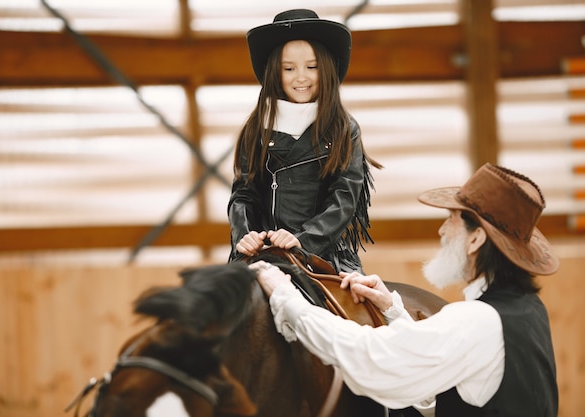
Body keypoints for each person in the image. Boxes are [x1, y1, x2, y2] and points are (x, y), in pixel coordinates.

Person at [253, 163, 560, 417]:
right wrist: (391, 310)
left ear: (476, 239)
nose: (442, 231)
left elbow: (371, 357)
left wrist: (286, 298)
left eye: (451, 220)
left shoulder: (478, 321)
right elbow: (435, 371)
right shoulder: (530, 309)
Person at [227, 9, 382, 272]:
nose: (301, 77)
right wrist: (245, 235)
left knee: (374, 308)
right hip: (263, 249)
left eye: (312, 67)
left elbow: (344, 197)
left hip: (323, 252)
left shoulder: (344, 128)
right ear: (275, 73)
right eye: (289, 68)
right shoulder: (257, 128)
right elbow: (244, 193)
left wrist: (302, 240)